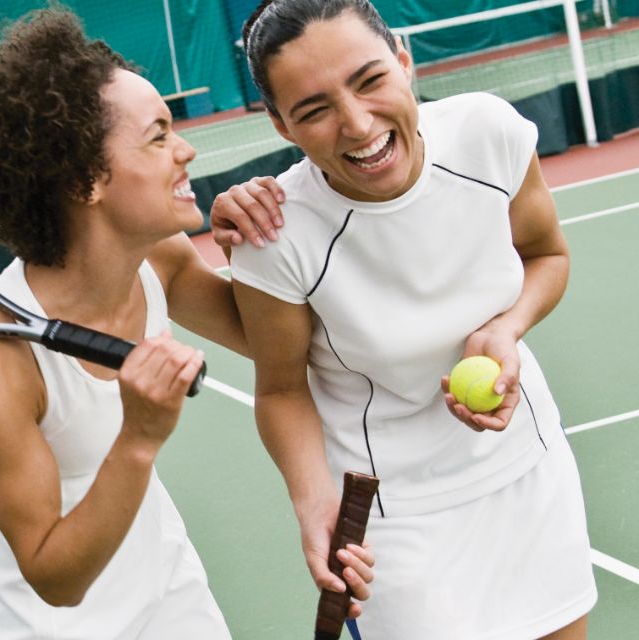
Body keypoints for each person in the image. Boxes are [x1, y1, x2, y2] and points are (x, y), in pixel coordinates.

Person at [0, 7, 373, 639]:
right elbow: (54, 577)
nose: (186, 149)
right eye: (159, 136)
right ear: (87, 179)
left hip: (170, 600)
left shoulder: (159, 260)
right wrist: (138, 439)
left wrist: (248, 250)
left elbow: (276, 342)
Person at [211, 1, 598, 638]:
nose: (358, 124)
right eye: (314, 109)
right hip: (394, 517)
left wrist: (508, 326)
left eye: (370, 80)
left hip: (527, 468)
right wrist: (314, 508)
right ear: (281, 126)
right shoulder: (275, 234)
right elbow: (281, 389)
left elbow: (546, 255)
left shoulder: (488, 133)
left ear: (404, 60)